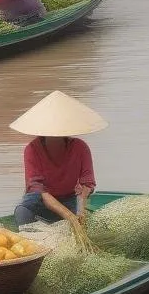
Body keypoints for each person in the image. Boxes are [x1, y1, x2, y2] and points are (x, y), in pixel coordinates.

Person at [9, 91, 107, 226]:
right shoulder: (32, 150)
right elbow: (40, 191)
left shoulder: (80, 148)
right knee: (22, 211)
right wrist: (69, 216)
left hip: (70, 199)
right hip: (40, 201)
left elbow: (87, 184)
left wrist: (80, 211)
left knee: (88, 221)